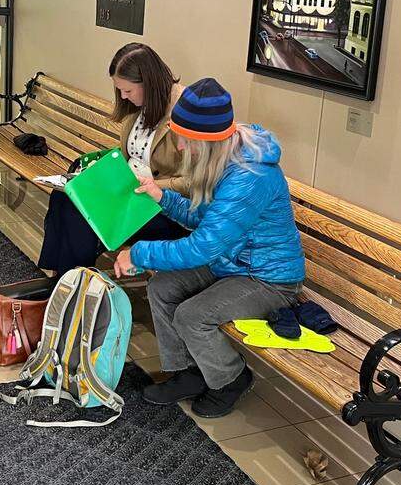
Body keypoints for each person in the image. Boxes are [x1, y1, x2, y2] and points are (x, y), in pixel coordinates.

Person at [113, 78, 305, 418]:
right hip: (231, 263)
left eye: (188, 140)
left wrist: (139, 253)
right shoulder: (227, 159)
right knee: (162, 286)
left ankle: (232, 378)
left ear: (210, 140)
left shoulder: (250, 177)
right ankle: (188, 372)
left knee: (192, 316)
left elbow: (202, 247)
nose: (183, 148)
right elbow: (207, 218)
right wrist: (163, 197)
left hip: (267, 278)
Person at [37, 42, 189, 275]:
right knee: (65, 196)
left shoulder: (183, 112)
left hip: (161, 206)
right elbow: (133, 153)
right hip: (129, 193)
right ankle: (62, 278)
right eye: (119, 90)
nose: (123, 96)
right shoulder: (139, 107)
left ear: (149, 83)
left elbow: (193, 181)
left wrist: (151, 186)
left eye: (128, 91)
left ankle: (74, 283)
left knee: (79, 212)